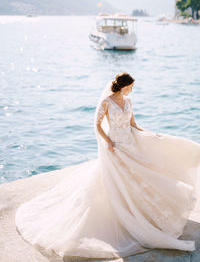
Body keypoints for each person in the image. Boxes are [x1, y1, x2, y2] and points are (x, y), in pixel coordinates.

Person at [15, 72, 200, 259]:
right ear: (122, 85)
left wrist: (151, 134)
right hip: (115, 146)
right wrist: (108, 142)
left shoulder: (128, 101)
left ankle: (137, 211)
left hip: (130, 145)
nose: (131, 90)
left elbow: (134, 124)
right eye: (130, 87)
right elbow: (97, 125)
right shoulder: (107, 102)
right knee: (116, 180)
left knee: (134, 179)